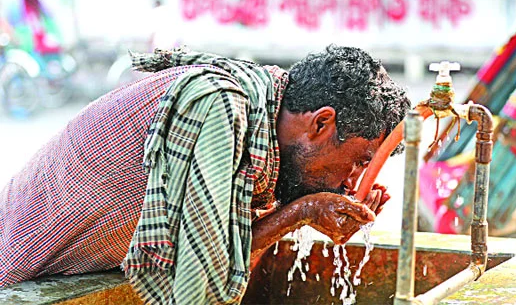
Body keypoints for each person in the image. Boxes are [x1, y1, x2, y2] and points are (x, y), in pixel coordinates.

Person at [0, 45, 411, 303]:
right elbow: (201, 281)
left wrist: (303, 209)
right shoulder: (219, 109)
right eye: (359, 161)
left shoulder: (261, 123)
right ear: (321, 124)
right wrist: (301, 213)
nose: (353, 183)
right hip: (15, 276)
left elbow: (227, 247)